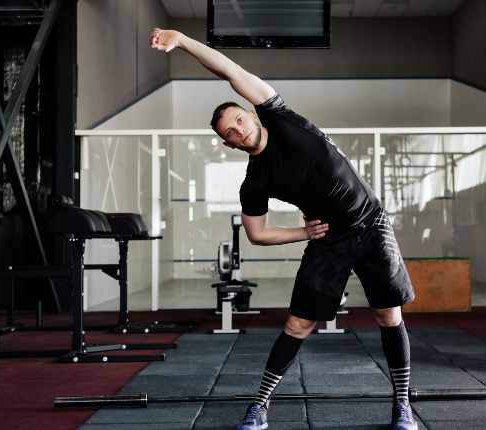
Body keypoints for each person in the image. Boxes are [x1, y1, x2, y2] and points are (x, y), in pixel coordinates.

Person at [150, 28, 418, 430]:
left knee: (388, 314)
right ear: (228, 144)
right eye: (230, 132)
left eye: (239, 119)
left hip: (371, 221)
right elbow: (256, 233)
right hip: (330, 238)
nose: (238, 129)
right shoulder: (254, 182)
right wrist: (302, 233)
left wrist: (183, 41)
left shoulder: (280, 115)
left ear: (252, 113)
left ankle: (402, 405)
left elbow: (228, 69)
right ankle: (260, 408)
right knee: (297, 324)